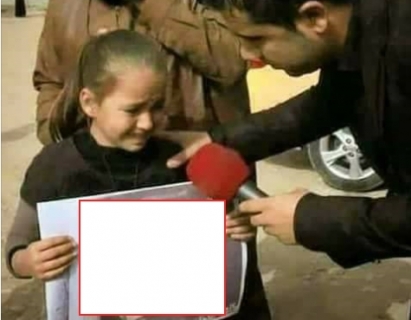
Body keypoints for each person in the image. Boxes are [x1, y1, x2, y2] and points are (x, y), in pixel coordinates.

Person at [164, 0, 411, 270]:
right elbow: (328, 105)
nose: (247, 55)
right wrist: (219, 140)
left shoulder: (403, 31)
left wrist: (311, 217)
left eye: (256, 39)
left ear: (314, 16)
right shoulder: (355, 7)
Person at [6, 30, 270, 320]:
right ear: (89, 103)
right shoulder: (54, 166)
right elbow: (17, 246)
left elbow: (220, 236)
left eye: (156, 107)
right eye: (132, 110)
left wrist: (235, 232)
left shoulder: (181, 160)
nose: (146, 122)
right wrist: (29, 261)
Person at [34, 0, 250, 146]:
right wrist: (53, 135)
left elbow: (233, 63)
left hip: (195, 158)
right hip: (100, 165)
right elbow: (49, 81)